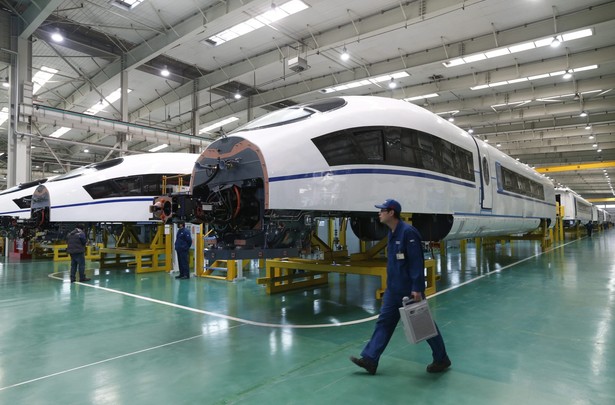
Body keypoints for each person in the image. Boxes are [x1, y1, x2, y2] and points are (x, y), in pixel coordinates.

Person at [350, 199, 451, 375]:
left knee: (424, 325)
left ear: (391, 213)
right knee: (384, 323)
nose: (378, 213)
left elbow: (416, 262)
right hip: (393, 290)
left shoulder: (408, 233)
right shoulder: (392, 233)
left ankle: (442, 359)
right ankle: (370, 359)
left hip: (409, 291)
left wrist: (417, 288)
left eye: (382, 210)